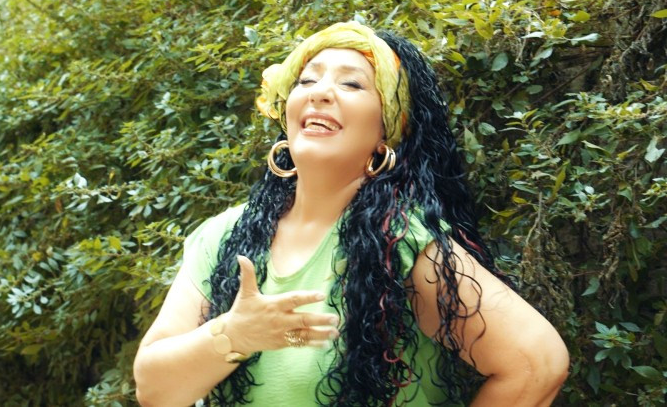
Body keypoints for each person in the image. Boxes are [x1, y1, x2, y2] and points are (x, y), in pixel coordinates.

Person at [133, 21, 569, 406]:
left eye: (352, 84)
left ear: (386, 132)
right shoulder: (223, 235)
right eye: (307, 80)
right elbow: (154, 391)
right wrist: (234, 335)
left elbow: (537, 364)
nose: (320, 92)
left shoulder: (401, 239)